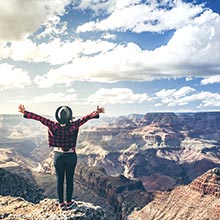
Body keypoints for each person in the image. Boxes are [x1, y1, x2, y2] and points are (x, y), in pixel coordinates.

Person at [18, 104, 105, 210]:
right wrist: (95, 113)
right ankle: (69, 202)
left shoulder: (52, 125)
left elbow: (39, 118)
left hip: (58, 156)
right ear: (69, 117)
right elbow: (85, 118)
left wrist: (25, 113)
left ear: (58, 117)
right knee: (69, 180)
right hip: (70, 156)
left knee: (59, 180)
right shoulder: (73, 125)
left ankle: (61, 204)